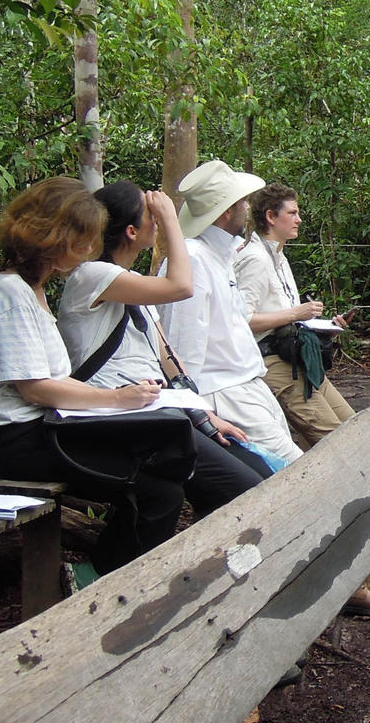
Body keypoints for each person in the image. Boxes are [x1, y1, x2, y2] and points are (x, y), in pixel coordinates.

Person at [0, 178, 177, 573]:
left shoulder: (31, 292)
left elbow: (50, 380)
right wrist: (115, 399)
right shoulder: (10, 295)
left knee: (159, 464)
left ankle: (102, 574)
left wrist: (124, 397)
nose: (87, 251)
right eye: (82, 240)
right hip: (14, 443)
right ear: (54, 238)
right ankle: (106, 583)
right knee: (157, 491)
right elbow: (36, 387)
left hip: (38, 431)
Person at [56, 181, 267, 516]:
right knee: (244, 488)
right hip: (116, 417)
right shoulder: (91, 276)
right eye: (149, 216)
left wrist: (206, 417)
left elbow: (169, 364)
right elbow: (182, 286)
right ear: (130, 231)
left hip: (154, 413)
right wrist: (172, 219)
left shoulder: (135, 286)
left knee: (250, 471)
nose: (155, 221)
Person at [159, 160, 303, 466]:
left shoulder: (221, 256)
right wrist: (199, 413)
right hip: (224, 392)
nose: (247, 207)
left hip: (248, 384)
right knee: (295, 472)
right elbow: (183, 343)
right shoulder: (194, 261)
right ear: (226, 212)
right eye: (242, 202)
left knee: (282, 471)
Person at [236, 183, 354, 449]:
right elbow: (241, 320)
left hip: (297, 357)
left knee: (353, 425)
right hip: (271, 361)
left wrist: (325, 326)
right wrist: (295, 313)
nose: (299, 219)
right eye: (293, 213)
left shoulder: (279, 257)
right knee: (337, 439)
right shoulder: (255, 259)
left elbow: (287, 316)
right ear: (270, 216)